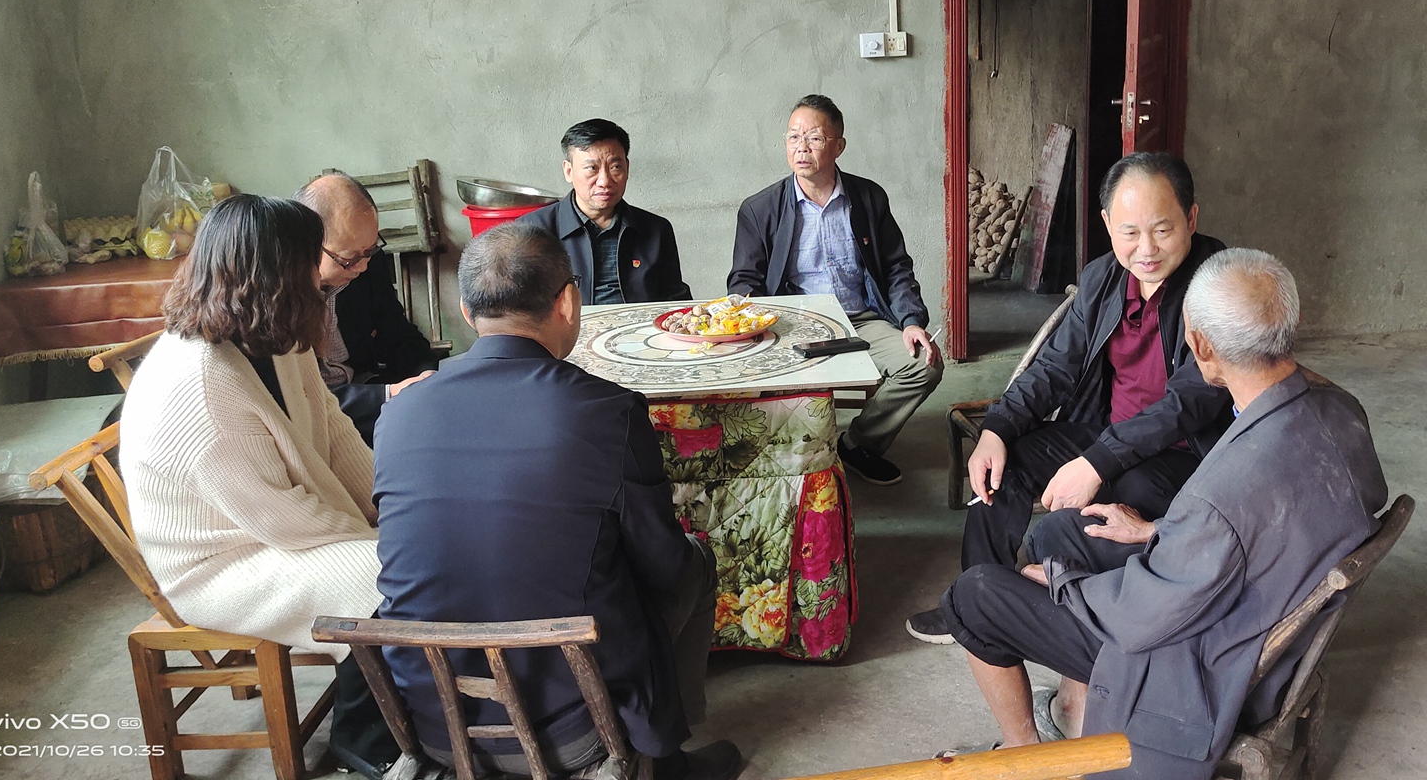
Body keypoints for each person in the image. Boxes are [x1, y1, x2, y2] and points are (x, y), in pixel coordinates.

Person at [940, 248, 1388, 780]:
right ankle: (1077, 711)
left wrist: (1066, 584)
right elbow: (1260, 529)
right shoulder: (1342, 410)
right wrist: (1157, 530)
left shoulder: (1222, 492)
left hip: (1201, 664)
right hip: (1254, 603)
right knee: (1066, 531)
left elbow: (1141, 619)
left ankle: (1027, 759)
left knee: (975, 595)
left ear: (1199, 346)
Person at [372, 222, 741, 780]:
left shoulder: (399, 412)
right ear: (568, 301)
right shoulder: (607, 411)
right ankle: (666, 760)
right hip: (572, 729)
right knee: (691, 561)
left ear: (468, 313)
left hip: (436, 722)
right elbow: (664, 563)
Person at [118, 194, 399, 777]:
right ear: (274, 277)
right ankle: (363, 737)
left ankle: (395, 708)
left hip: (272, 527)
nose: (322, 278)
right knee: (392, 580)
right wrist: (388, 540)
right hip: (221, 562)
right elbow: (286, 522)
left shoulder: (270, 331)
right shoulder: (200, 384)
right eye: (309, 262)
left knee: (410, 552)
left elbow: (334, 429)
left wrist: (391, 506)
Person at [905, 152, 1234, 644]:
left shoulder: (1219, 285)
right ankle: (979, 599)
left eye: (1163, 230)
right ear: (1107, 225)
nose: (1146, 249)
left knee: (1110, 506)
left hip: (1185, 454)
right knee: (1005, 465)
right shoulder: (1103, 278)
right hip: (1105, 431)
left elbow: (1191, 401)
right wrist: (997, 428)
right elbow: (1055, 367)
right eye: (1129, 232)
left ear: (1191, 218)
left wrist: (1096, 463)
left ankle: (1069, 610)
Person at [728, 94, 942, 485]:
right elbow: (744, 279)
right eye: (793, 137)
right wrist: (745, 308)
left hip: (860, 320)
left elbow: (896, 267)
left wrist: (912, 321)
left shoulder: (868, 198)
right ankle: (789, 461)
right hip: (793, 326)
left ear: (838, 145)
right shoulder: (759, 209)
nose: (801, 148)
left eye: (814, 138)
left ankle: (857, 444)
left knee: (923, 365)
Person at [292, 172, 437, 446]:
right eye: (349, 258)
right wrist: (389, 394)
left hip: (366, 391)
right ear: (307, 245)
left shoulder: (367, 262)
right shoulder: (278, 292)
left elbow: (397, 334)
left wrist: (425, 377)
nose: (363, 266)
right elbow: (300, 401)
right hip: (315, 422)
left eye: (369, 251)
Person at [514, 118, 692, 305]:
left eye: (615, 167)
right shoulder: (531, 231)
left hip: (641, 324)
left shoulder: (656, 229)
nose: (604, 181)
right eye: (592, 168)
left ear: (627, 167)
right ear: (568, 171)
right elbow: (518, 309)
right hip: (570, 325)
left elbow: (675, 302)